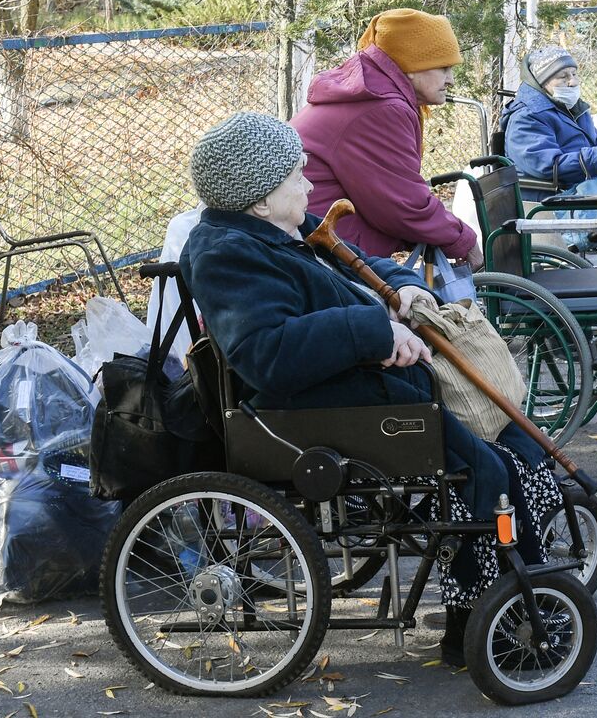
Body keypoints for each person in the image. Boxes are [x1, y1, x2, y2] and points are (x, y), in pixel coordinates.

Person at [180, 112, 560, 665]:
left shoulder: (278, 228)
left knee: (515, 448)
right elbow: (267, 354)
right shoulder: (228, 255)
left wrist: (402, 288)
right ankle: (486, 623)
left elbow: (361, 264)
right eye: (296, 177)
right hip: (317, 407)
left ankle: (522, 589)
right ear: (261, 199)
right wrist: (372, 330)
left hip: (360, 389)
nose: (310, 185)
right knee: (486, 472)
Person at [292, 9, 483, 268]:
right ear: (412, 65)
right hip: (320, 246)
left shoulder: (375, 94)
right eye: (444, 68)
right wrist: (464, 241)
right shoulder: (382, 107)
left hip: (311, 230)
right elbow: (403, 204)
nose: (450, 80)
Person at [503, 45, 597, 248]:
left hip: (582, 190)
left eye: (574, 74)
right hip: (553, 198)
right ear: (542, 83)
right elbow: (550, 166)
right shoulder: (527, 117)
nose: (573, 82)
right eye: (563, 76)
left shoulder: (573, 108)